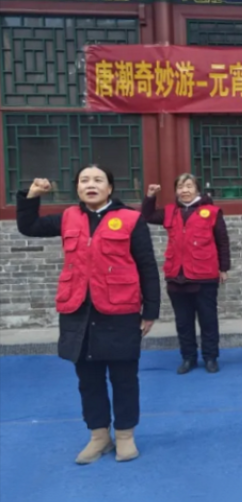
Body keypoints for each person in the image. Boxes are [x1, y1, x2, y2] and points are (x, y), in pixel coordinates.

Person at [16, 165, 160, 464]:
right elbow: (29, 226)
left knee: (124, 378)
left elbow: (146, 265)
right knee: (88, 379)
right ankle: (99, 436)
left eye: (97, 180)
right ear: (77, 188)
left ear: (110, 188)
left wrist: (150, 311)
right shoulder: (68, 217)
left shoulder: (131, 219)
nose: (90, 185)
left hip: (120, 309)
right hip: (78, 310)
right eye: (84, 180)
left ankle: (125, 436)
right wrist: (32, 196)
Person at [141, 173, 230, 374]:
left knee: (208, 320)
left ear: (197, 189)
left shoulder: (212, 212)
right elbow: (147, 216)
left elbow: (222, 241)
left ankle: (210, 357)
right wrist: (150, 196)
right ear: (176, 191)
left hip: (204, 276)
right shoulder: (170, 211)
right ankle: (188, 357)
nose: (185, 190)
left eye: (189, 186)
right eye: (180, 187)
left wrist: (224, 268)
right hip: (176, 276)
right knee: (183, 322)